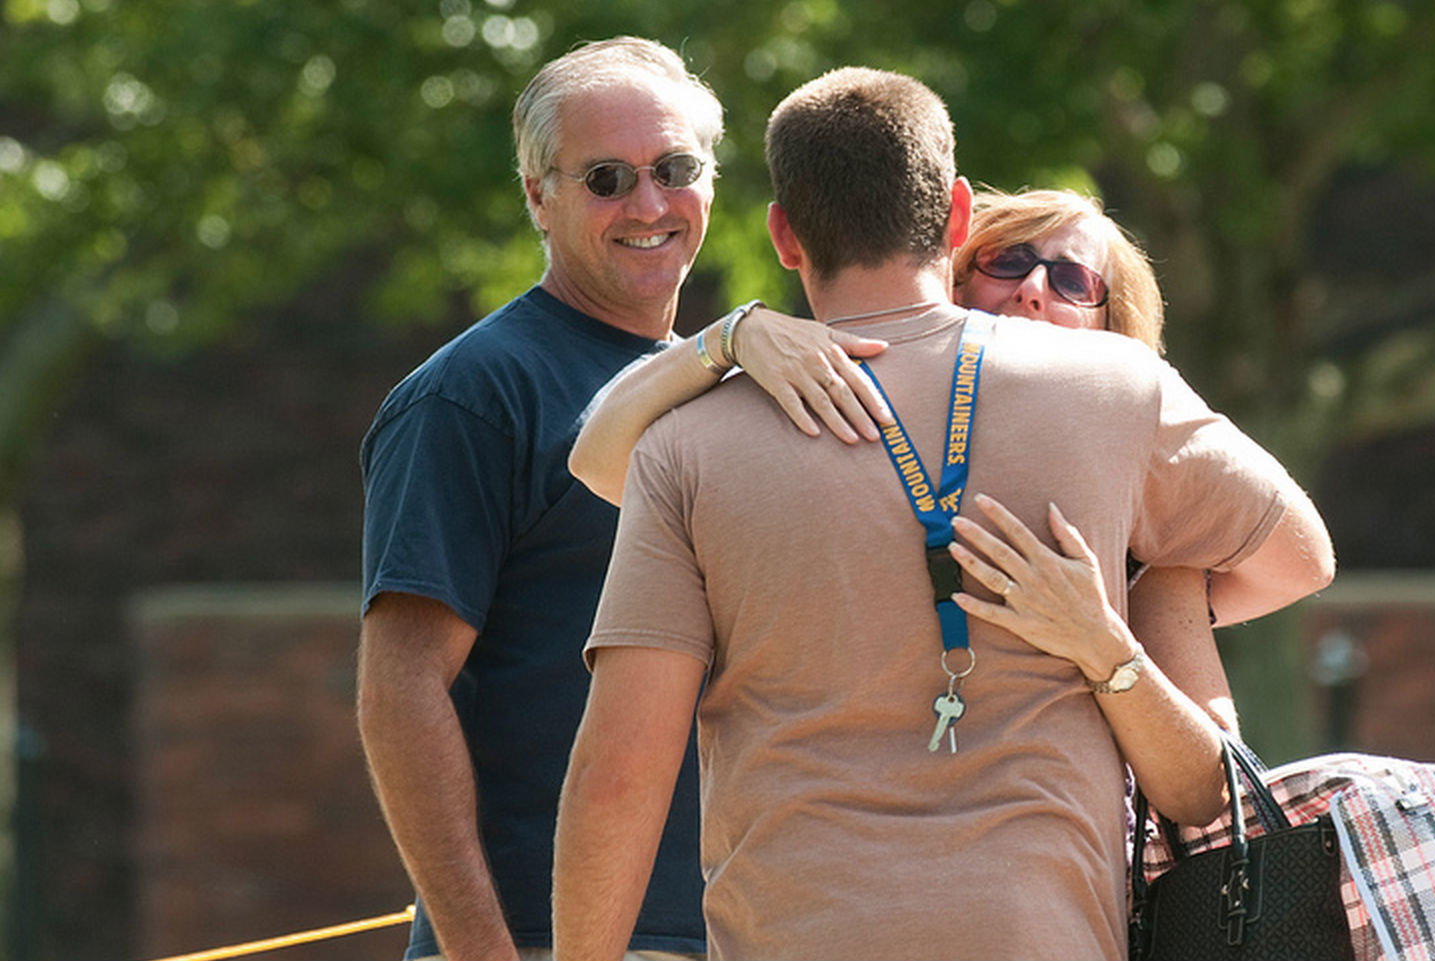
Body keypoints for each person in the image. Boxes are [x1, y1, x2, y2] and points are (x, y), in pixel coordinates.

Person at [552, 67, 1332, 960]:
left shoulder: (686, 445)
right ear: (959, 219)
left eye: (1070, 277)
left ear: (782, 235)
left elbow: (619, 776)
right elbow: (1300, 556)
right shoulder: (1119, 390)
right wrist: (1132, 587)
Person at [357, 38, 888, 961]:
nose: (648, 205)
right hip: (550, 936)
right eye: (605, 177)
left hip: (745, 928)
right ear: (538, 194)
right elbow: (400, 690)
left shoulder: (726, 392)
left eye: (674, 168)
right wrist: (483, 949)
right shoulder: (473, 396)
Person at [568, 185, 1331, 807]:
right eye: (1010, 260)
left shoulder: (1153, 551)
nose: (1033, 289)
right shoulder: (833, 389)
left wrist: (1099, 629)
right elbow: (599, 461)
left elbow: (1217, 777)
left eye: (1073, 282)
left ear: (1112, 335)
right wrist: (731, 336)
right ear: (955, 273)